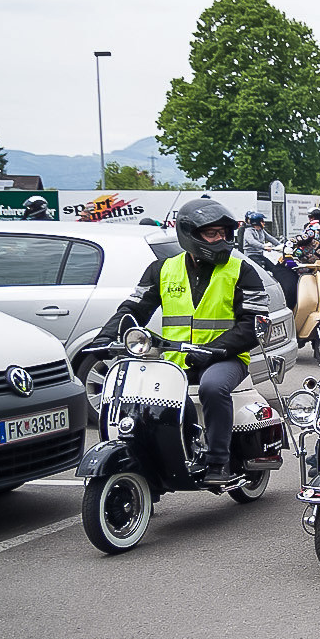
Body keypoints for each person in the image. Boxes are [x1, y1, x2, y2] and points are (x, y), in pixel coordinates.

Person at [98, 199, 270, 485]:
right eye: (212, 234)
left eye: (224, 233)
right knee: (144, 395)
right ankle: (164, 456)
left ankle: (218, 461)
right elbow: (133, 308)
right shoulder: (161, 269)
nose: (221, 240)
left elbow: (254, 324)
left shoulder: (242, 270)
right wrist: (105, 336)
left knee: (212, 388)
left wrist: (214, 350)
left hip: (226, 358)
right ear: (189, 234)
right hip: (174, 361)